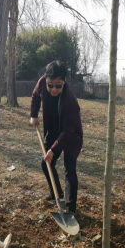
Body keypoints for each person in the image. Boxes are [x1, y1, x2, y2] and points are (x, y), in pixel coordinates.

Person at [30, 61, 83, 214]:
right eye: (50, 85)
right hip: (53, 129)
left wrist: (53, 150)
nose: (53, 89)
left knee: (69, 169)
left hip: (71, 135)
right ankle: (56, 194)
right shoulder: (42, 82)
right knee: (46, 163)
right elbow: (35, 96)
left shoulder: (69, 101)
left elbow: (68, 131)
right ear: (45, 79)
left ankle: (70, 208)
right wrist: (34, 115)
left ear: (64, 81)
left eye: (58, 85)